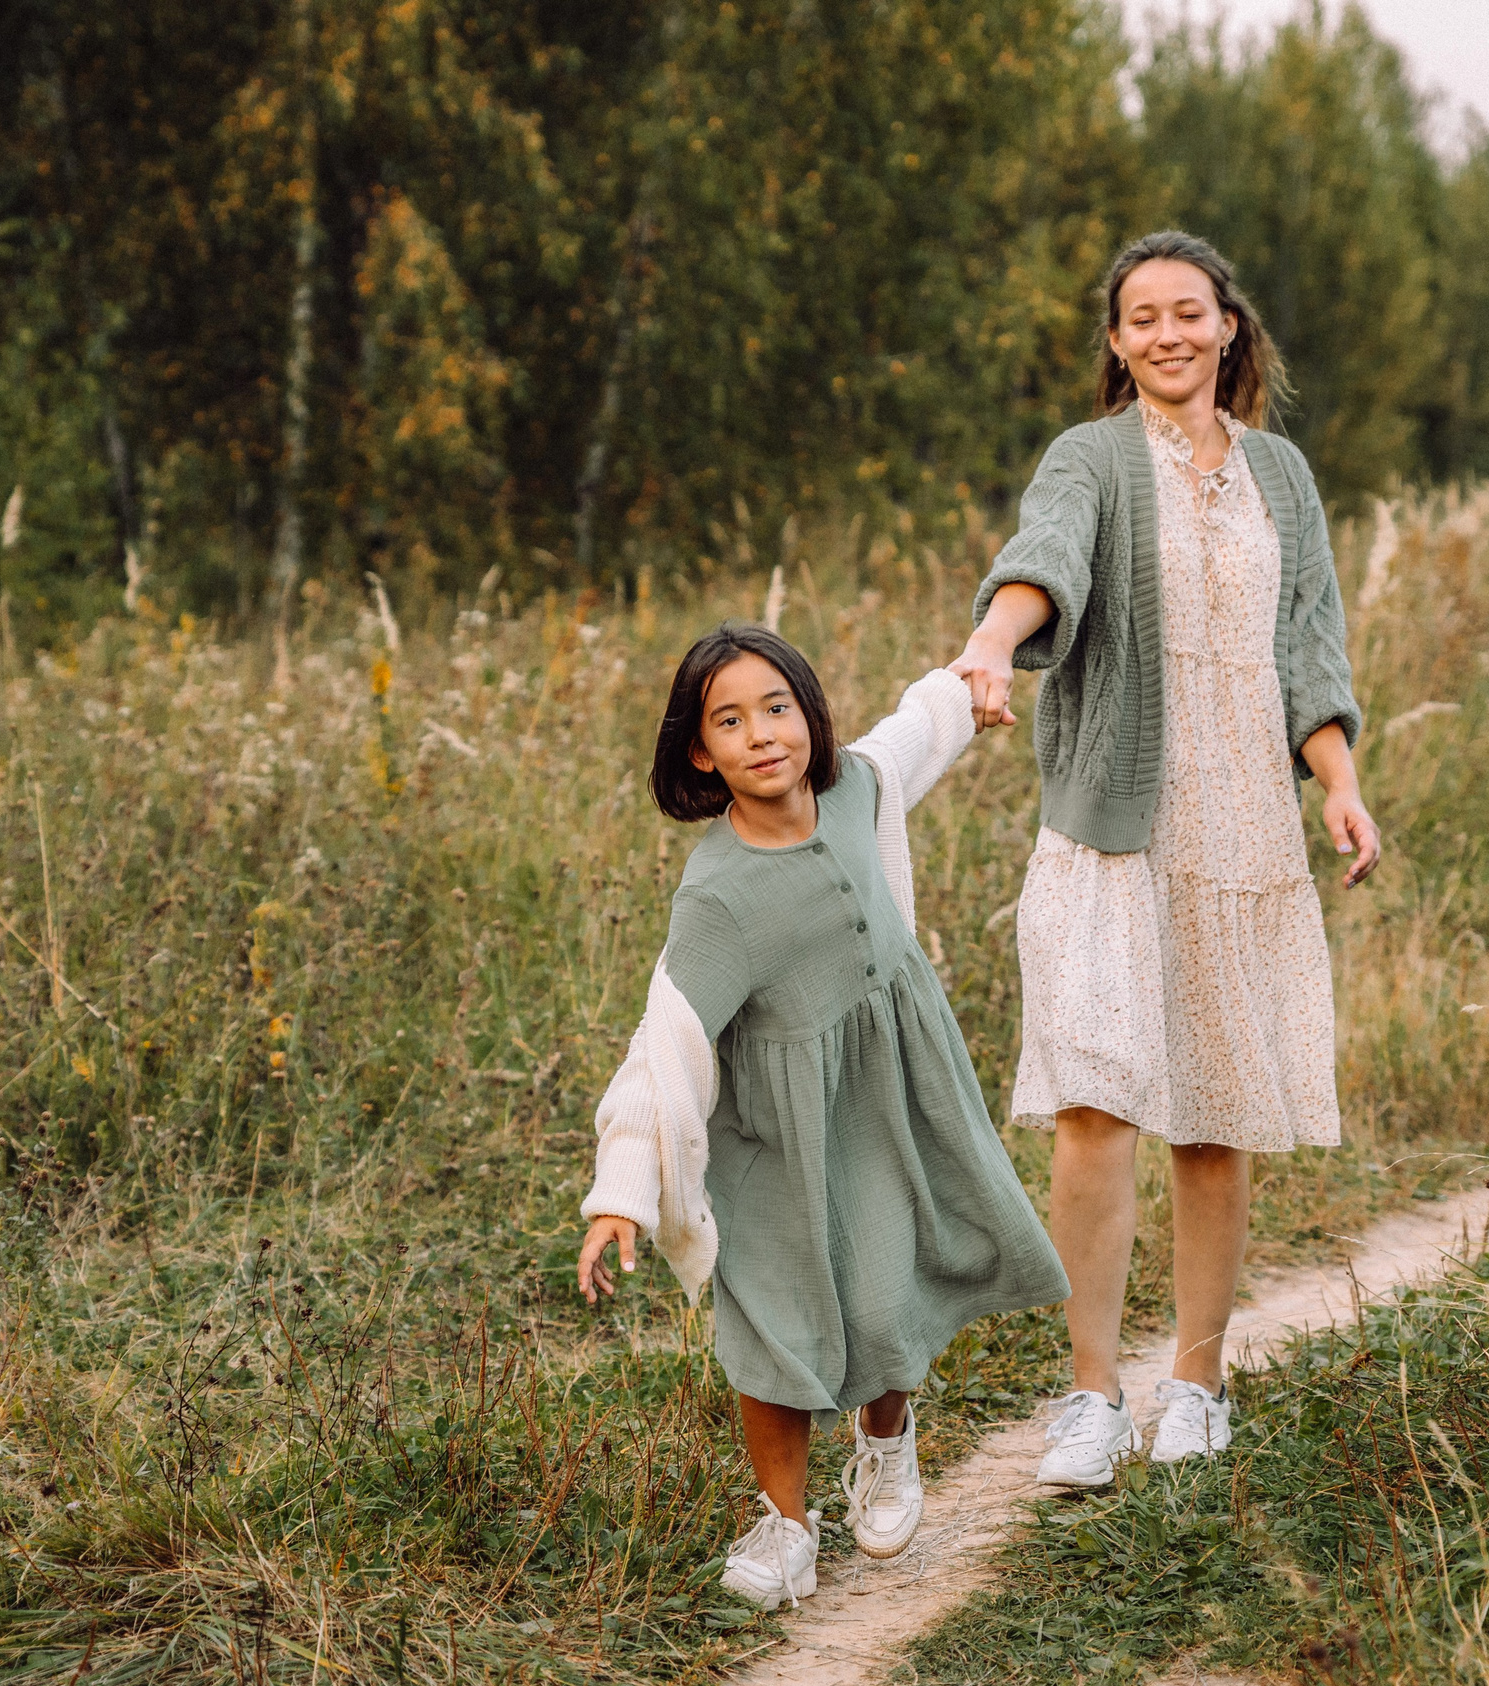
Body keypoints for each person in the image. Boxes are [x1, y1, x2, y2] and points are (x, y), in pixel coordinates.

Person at [951, 230, 1383, 1489]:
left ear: (1228, 327)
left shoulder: (1283, 477)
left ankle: (1196, 1379)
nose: (1166, 336)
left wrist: (1340, 785)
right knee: (1092, 1100)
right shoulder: (1088, 459)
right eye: (1139, 319)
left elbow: (1311, 647)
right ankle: (1090, 1390)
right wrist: (989, 639)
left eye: (1186, 313)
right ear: (1116, 342)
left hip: (1243, 818)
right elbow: (1046, 559)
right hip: (1111, 818)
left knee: (1213, 1111)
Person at [576, 624, 1070, 1608]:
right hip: (770, 1135)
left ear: (807, 715)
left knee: (882, 1291)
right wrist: (620, 1192)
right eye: (728, 719)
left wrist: (975, 679)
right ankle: (785, 1521)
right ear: (698, 753)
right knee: (775, 1322)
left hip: (877, 1093)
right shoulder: (716, 899)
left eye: (775, 707)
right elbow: (663, 1042)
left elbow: (916, 728)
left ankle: (885, 1441)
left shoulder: (853, 790)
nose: (760, 734)